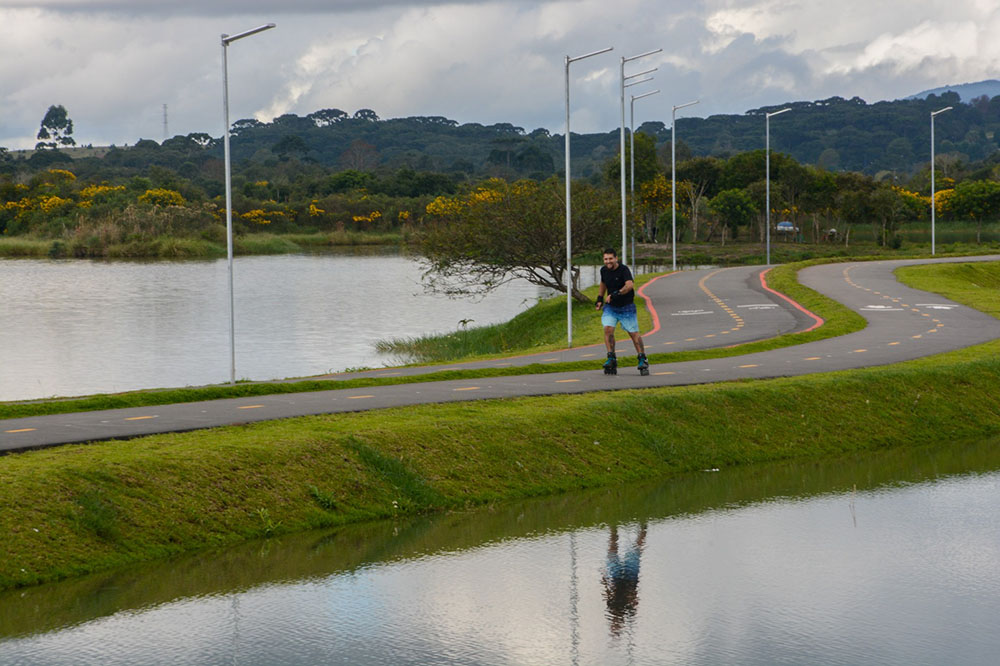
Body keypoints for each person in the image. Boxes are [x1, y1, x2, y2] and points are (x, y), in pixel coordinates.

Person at [595, 247, 648, 375]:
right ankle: (611, 358)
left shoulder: (624, 270)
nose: (608, 261)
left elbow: (629, 285)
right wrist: (600, 298)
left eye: (610, 259)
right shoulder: (603, 270)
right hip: (611, 307)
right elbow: (603, 283)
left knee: (633, 333)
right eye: (605, 259)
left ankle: (642, 359)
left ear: (616, 258)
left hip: (626, 307)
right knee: (608, 329)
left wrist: (615, 294)